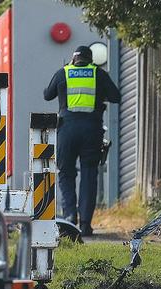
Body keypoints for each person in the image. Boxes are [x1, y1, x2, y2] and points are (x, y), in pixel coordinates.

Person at [44, 45, 121, 236]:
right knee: (89, 175)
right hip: (91, 130)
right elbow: (116, 97)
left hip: (66, 130)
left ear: (73, 59)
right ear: (90, 59)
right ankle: (85, 224)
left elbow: (47, 95)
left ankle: (70, 217)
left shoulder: (64, 73)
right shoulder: (99, 74)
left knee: (66, 173)